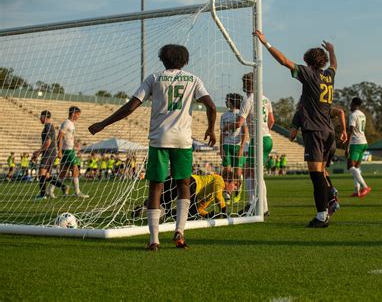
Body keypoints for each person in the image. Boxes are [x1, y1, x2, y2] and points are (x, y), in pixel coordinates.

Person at [88, 44, 217, 251]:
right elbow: (211, 105)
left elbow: (131, 106)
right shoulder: (194, 80)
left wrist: (103, 124)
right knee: (184, 184)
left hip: (159, 139)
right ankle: (180, 231)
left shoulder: (154, 78)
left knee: (156, 187)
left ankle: (154, 239)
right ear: (185, 61)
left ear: (162, 59)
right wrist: (211, 129)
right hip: (183, 141)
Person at [254, 29, 337, 228]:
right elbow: (334, 65)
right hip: (329, 130)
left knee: (315, 173)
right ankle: (332, 196)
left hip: (315, 130)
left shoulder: (309, 73)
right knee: (322, 171)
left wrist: (266, 43)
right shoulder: (329, 76)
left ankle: (322, 215)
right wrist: (332, 51)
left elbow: (283, 61)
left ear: (308, 60)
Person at [222, 72, 274, 216]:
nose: (244, 85)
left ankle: (255, 206)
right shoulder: (266, 99)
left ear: (249, 84)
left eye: (245, 82)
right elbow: (271, 121)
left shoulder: (248, 100)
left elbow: (239, 123)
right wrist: (264, 131)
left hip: (258, 140)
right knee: (252, 172)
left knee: (252, 173)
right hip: (267, 138)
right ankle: (261, 207)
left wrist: (227, 127)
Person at [32, 110, 69, 200]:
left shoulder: (48, 126)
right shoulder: (48, 126)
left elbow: (48, 142)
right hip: (50, 153)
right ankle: (64, 187)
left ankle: (42, 195)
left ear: (44, 117)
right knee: (47, 176)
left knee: (41, 173)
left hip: (48, 153)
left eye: (41, 117)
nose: (40, 119)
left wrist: (39, 151)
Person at [56, 106, 89, 198]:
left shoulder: (71, 124)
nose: (79, 116)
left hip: (70, 150)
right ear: (73, 113)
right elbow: (60, 137)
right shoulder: (66, 123)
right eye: (78, 114)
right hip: (67, 150)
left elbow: (68, 137)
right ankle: (77, 192)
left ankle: (50, 190)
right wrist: (59, 151)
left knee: (63, 172)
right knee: (75, 169)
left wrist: (75, 144)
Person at [220, 93, 248, 190]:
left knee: (237, 172)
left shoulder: (241, 115)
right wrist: (221, 148)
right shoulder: (223, 116)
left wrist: (241, 148)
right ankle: (226, 190)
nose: (225, 102)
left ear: (232, 101)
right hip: (227, 145)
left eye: (227, 100)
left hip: (237, 146)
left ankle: (238, 188)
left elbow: (245, 133)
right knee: (226, 171)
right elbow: (222, 133)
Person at [346, 97, 371, 197]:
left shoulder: (353, 115)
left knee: (350, 167)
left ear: (354, 104)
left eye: (351, 104)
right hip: (364, 142)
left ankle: (365, 186)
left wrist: (347, 147)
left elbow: (351, 132)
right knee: (356, 168)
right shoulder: (362, 114)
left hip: (356, 143)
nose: (350, 106)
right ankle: (357, 191)